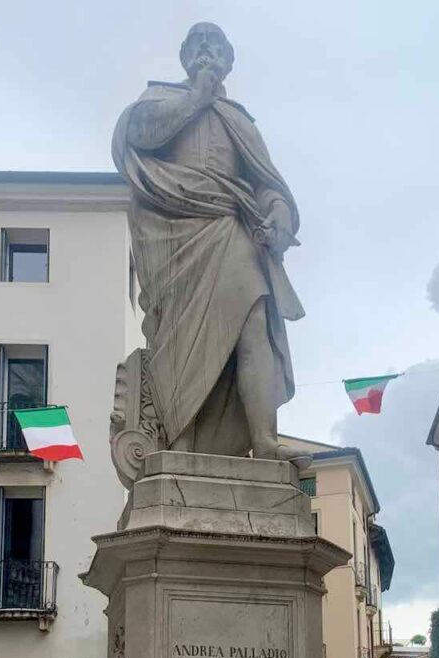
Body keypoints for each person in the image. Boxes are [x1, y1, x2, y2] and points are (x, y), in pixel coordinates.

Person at [113, 23, 308, 461]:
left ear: (228, 61)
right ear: (184, 56)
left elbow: (266, 182)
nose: (206, 49)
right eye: (198, 43)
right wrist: (195, 99)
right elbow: (137, 135)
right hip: (175, 237)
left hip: (230, 227)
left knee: (254, 324)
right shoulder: (157, 98)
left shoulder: (239, 119)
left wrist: (278, 210)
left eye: (215, 44)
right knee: (181, 342)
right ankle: (178, 444)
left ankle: (263, 439)